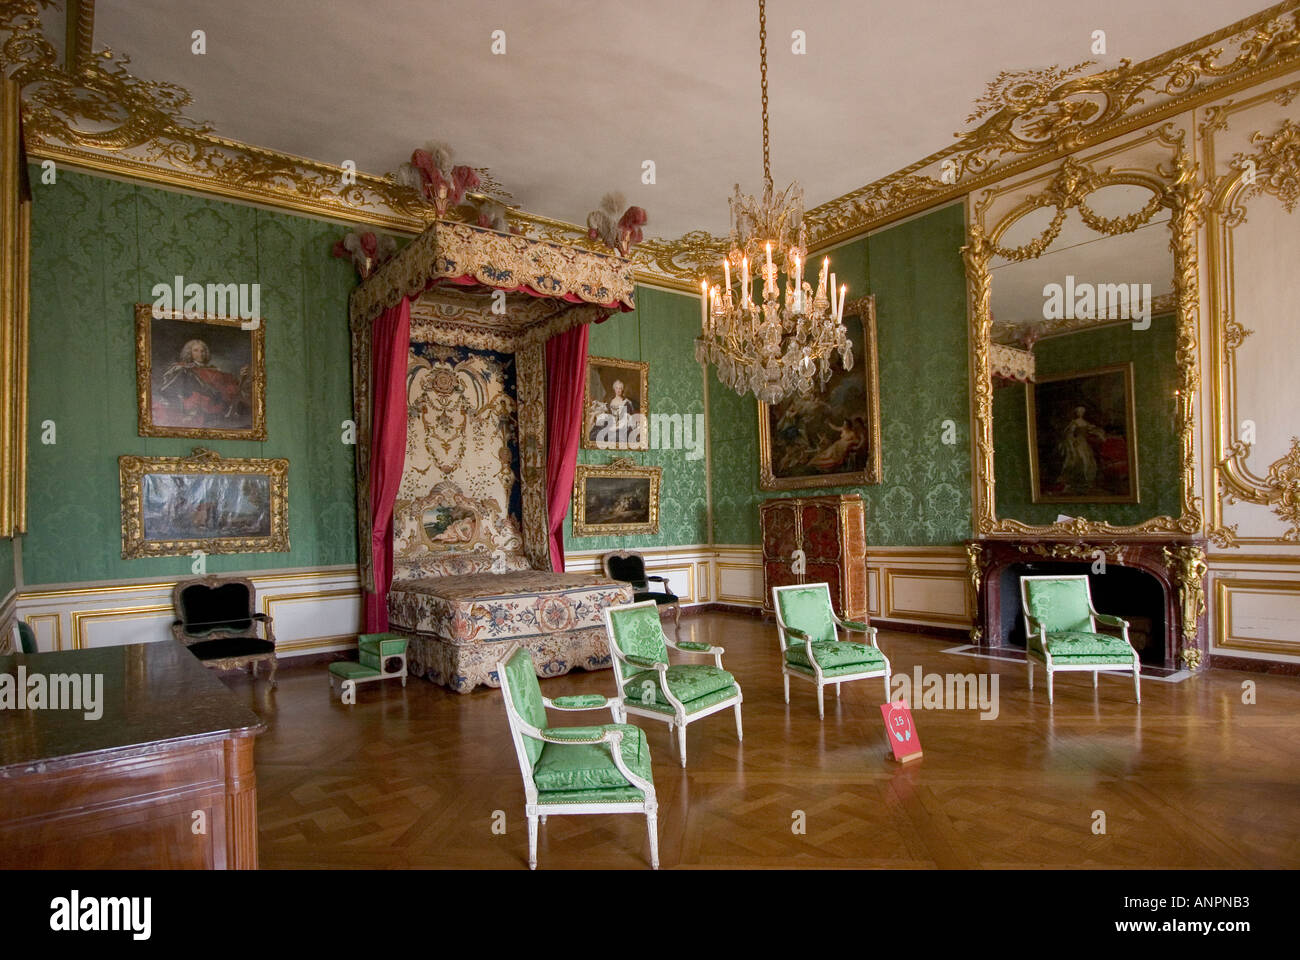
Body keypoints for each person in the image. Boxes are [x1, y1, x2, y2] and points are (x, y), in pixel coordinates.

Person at [155, 339, 244, 427]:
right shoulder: (185, 368)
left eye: (202, 351)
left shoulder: (213, 369)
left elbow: (230, 382)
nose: (200, 354)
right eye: (196, 350)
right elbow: (172, 385)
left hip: (217, 401)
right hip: (196, 403)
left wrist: (241, 376)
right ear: (190, 353)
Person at [1056, 405, 1107, 493]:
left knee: (1088, 460)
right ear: (1076, 413)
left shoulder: (1085, 422)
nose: (1080, 413)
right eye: (1079, 412)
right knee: (1079, 460)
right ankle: (1074, 482)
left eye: (1082, 412)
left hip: (1084, 443)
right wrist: (1073, 442)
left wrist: (1100, 434)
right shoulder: (1074, 423)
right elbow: (1069, 434)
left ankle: (1086, 481)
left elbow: (1092, 430)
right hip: (1077, 444)